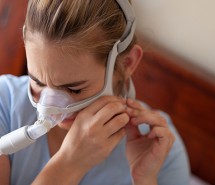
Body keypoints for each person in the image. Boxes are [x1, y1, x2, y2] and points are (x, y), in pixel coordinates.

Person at [0, 0, 190, 184]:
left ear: (127, 63)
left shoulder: (161, 149)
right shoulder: (4, 103)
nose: (50, 106)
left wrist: (145, 180)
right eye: (37, 82)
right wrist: (70, 164)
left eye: (74, 89)